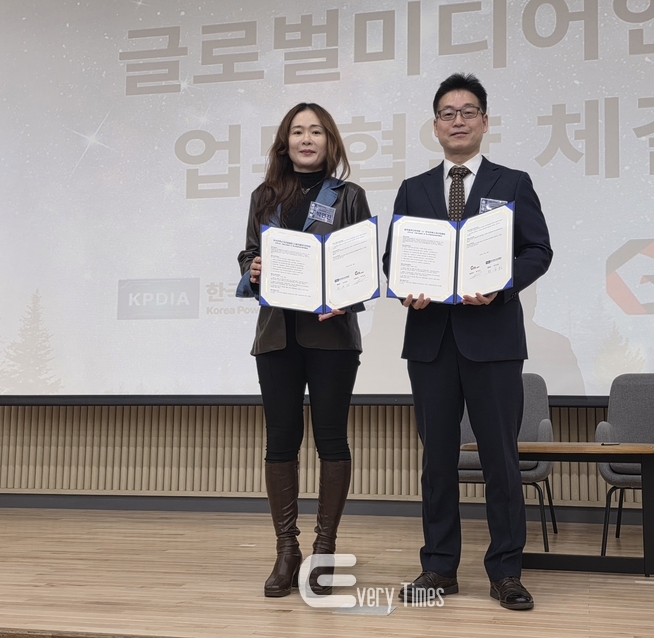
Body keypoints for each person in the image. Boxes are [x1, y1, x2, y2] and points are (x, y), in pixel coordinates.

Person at [383, 73, 552, 611]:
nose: (458, 121)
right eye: (448, 113)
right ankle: (438, 567)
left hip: (493, 339)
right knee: (437, 460)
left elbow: (538, 251)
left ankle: (506, 571)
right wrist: (405, 287)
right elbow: (394, 258)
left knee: (501, 459)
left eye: (468, 111)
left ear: (484, 121)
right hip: (430, 342)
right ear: (435, 126)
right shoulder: (413, 189)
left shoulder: (513, 182)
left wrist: (502, 284)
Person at [236, 103, 371, 598]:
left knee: (331, 440)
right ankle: (286, 549)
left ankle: (325, 548)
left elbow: (362, 265)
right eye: (297, 131)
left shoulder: (348, 195)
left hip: (332, 338)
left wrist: (346, 297)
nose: (306, 139)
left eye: (315, 131)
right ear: (285, 142)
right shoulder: (265, 195)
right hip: (277, 335)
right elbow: (250, 252)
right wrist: (252, 268)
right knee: (280, 442)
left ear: (329, 141)